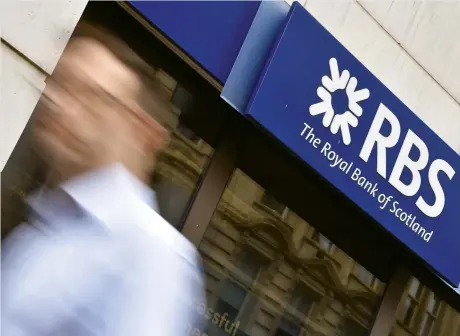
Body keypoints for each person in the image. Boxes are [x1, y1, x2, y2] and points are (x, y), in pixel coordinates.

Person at [1, 23, 205, 336]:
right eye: (59, 87)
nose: (60, 106)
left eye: (91, 96)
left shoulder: (151, 254)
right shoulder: (45, 223)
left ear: (142, 130)